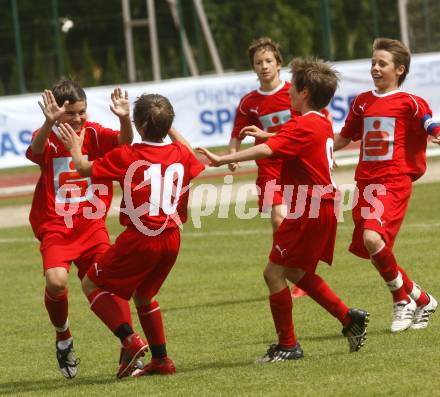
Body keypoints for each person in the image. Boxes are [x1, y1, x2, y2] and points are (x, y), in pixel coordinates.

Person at [198, 57, 369, 362]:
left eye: (294, 87)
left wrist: (222, 160)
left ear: (304, 93)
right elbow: (286, 141)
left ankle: (289, 346)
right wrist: (269, 136)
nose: (288, 91)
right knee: (293, 271)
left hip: (310, 208)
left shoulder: (304, 124)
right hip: (319, 206)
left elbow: (269, 150)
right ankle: (348, 318)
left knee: (273, 273)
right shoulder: (318, 121)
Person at [58, 94, 205, 377]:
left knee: (91, 284)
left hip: (141, 237)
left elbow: (84, 168)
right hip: (172, 238)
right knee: (144, 294)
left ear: (138, 124)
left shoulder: (129, 155)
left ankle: (129, 339)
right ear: (169, 124)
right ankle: (161, 360)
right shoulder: (180, 153)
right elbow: (192, 154)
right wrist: (168, 126)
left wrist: (76, 148)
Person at [26, 79, 134, 379]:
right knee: (56, 282)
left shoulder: (96, 134)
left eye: (81, 112)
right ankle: (63, 337)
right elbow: (34, 152)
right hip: (56, 225)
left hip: (91, 226)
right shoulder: (47, 136)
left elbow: (126, 144)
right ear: (57, 112)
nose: (76, 119)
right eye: (70, 113)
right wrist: (48, 124)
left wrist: (125, 117)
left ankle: (129, 344)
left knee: (107, 283)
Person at [334, 38, 439, 332]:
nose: (375, 68)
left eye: (382, 63)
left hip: (393, 180)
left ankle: (400, 300)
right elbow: (345, 136)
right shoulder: (362, 102)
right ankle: (423, 299)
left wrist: (436, 131)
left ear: (399, 69)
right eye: (373, 63)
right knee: (376, 249)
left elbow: (428, 122)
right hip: (365, 181)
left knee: (371, 239)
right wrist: (324, 149)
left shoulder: (410, 102)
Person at [229, 36, 307, 298]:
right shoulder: (249, 102)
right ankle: (291, 272)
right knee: (278, 220)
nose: (264, 66)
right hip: (270, 169)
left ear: (278, 63)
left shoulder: (294, 92)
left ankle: (298, 273)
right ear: (253, 67)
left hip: (296, 167)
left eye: (268, 61)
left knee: (299, 222)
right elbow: (237, 133)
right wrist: (232, 155)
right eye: (258, 62)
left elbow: (311, 124)